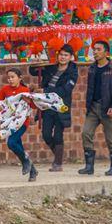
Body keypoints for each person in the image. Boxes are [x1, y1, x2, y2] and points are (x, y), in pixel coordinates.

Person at [79, 40, 112, 177]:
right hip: (93, 107)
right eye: (94, 49)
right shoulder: (92, 69)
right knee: (86, 133)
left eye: (98, 49)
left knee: (110, 138)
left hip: (107, 108)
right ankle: (89, 166)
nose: (95, 52)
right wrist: (87, 105)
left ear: (106, 52)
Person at [31, 43, 78, 172]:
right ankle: (59, 157)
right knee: (46, 134)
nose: (62, 57)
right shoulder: (51, 68)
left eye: (65, 55)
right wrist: (36, 61)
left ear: (70, 57)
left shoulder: (72, 72)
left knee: (58, 135)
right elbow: (33, 71)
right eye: (61, 54)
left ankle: (57, 163)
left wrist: (45, 90)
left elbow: (65, 90)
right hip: (46, 106)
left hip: (60, 106)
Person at [0, 68, 37, 181]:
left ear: (20, 78)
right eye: (8, 77)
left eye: (13, 77)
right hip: (10, 122)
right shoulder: (5, 89)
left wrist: (29, 102)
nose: (10, 79)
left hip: (21, 123)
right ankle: (32, 170)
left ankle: (26, 162)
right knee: (18, 146)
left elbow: (34, 105)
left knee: (11, 143)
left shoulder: (25, 90)